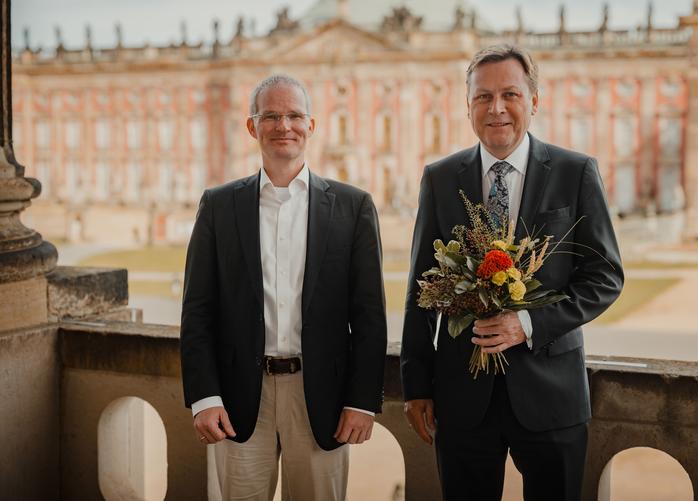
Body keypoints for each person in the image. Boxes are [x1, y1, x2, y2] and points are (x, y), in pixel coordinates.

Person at [401, 44, 624, 501]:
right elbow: (420, 290)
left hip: (552, 396)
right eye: (483, 97)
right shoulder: (440, 178)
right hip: (462, 400)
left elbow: (605, 277)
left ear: (534, 101)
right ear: (468, 108)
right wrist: (416, 384)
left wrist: (526, 324)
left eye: (510, 94)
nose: (496, 108)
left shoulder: (575, 171)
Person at [181, 74, 387, 500]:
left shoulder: (353, 206)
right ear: (252, 126)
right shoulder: (219, 206)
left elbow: (369, 315)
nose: (283, 126)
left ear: (311, 126)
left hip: (322, 398)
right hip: (238, 399)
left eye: (294, 115)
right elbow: (197, 311)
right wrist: (203, 396)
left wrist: (362, 400)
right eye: (270, 116)